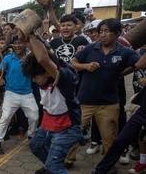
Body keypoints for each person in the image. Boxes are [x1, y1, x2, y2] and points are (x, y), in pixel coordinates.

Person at [68, 18, 140, 168]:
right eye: (101, 31)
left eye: (106, 31)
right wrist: (86, 66)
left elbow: (137, 64)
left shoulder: (124, 51)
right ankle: (67, 160)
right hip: (84, 101)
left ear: (117, 33)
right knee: (73, 133)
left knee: (109, 138)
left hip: (109, 103)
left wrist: (122, 73)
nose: (102, 34)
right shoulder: (91, 48)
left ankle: (107, 165)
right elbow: (72, 62)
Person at [20, 31, 82, 174]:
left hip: (67, 128)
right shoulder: (43, 74)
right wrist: (24, 33)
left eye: (35, 76)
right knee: (35, 145)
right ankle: (51, 167)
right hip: (50, 122)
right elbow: (33, 49)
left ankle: (54, 168)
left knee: (55, 166)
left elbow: (42, 59)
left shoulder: (63, 78)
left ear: (48, 72)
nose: (33, 80)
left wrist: (32, 35)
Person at [0, 35, 39, 155]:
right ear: (12, 46)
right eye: (15, 43)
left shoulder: (30, 57)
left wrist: (28, 60)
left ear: (24, 44)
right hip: (11, 93)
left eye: (20, 43)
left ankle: (31, 135)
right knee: (5, 117)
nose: (18, 46)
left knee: (34, 117)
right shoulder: (7, 58)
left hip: (28, 93)